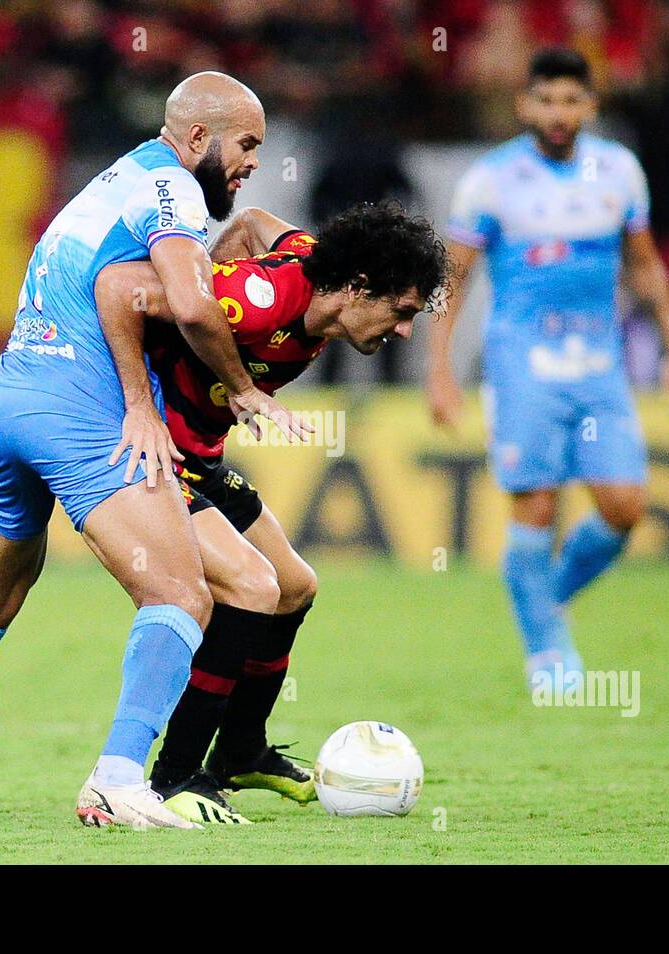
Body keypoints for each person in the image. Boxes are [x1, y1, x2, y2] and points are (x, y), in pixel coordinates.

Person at [0, 71, 310, 830]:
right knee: (182, 595)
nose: (253, 159)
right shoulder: (175, 192)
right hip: (78, 417)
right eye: (247, 143)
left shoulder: (118, 177)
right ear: (197, 137)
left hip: (4, 404)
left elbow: (138, 277)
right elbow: (188, 304)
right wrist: (239, 389)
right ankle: (118, 780)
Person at [95, 201, 448, 823]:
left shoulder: (317, 266)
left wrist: (224, 246)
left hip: (202, 453)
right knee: (251, 587)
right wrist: (198, 380)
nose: (404, 332)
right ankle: (176, 778)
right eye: (402, 313)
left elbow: (257, 219)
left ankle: (241, 751)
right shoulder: (256, 300)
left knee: (293, 586)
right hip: (157, 454)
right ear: (360, 289)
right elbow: (124, 290)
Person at [425, 48, 669, 691]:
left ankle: (545, 598)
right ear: (525, 105)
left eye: (571, 100)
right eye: (546, 99)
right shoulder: (490, 180)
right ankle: (548, 653)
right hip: (522, 364)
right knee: (537, 505)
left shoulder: (620, 172)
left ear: (590, 107)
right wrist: (439, 368)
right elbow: (452, 278)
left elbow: (647, 265)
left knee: (626, 505)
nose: (558, 113)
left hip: (601, 365)